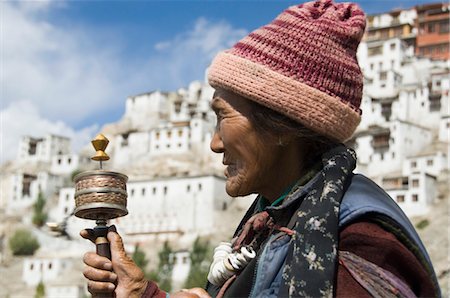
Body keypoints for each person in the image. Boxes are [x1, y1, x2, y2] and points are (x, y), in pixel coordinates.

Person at [81, 0, 441, 297]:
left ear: (281, 126)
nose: (215, 143)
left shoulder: (359, 242)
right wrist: (141, 292)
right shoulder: (275, 221)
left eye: (223, 117)